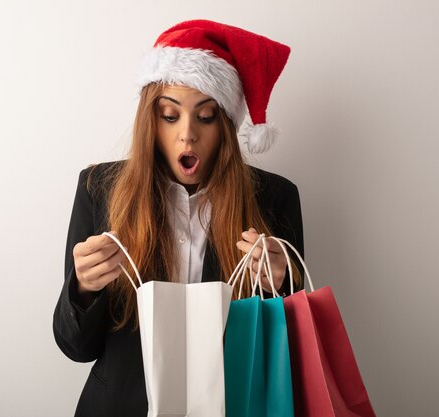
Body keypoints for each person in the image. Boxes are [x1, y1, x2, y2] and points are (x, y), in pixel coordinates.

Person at [53, 19, 304, 417]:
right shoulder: (97, 188)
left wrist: (282, 284)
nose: (187, 135)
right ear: (150, 121)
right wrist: (83, 288)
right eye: (170, 115)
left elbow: (287, 357)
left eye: (205, 117)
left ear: (225, 125)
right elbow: (75, 347)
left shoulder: (275, 198)